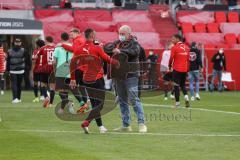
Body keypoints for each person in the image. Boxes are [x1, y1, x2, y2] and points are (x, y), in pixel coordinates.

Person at [70, 28, 119, 134]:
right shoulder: (97, 48)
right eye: (95, 34)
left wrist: (73, 78)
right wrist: (117, 62)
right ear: (92, 35)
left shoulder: (79, 49)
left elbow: (72, 63)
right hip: (97, 79)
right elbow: (107, 58)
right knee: (100, 104)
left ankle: (101, 127)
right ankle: (87, 122)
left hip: (86, 80)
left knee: (94, 104)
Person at [112, 25, 147, 133]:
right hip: (119, 75)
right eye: (120, 34)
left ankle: (142, 124)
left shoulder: (134, 43)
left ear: (129, 34)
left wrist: (120, 51)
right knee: (122, 100)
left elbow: (134, 52)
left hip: (131, 75)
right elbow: (109, 49)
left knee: (134, 99)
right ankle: (126, 125)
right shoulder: (117, 43)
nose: (121, 36)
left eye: (123, 34)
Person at [54, 32, 86, 114]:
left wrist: (55, 71)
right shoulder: (72, 46)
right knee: (72, 88)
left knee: (61, 90)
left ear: (61, 38)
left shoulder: (58, 47)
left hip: (61, 71)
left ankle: (68, 103)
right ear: (68, 38)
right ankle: (81, 102)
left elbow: (54, 61)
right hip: (70, 70)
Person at [60, 28, 89, 109]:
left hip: (78, 66)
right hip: (84, 66)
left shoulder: (77, 40)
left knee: (72, 85)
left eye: (72, 34)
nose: (71, 36)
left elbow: (74, 50)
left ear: (77, 33)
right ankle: (85, 103)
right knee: (82, 86)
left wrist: (62, 45)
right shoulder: (82, 40)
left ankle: (82, 102)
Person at [169, 34, 190, 108]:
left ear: (178, 39)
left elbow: (171, 58)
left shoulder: (174, 48)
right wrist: (187, 69)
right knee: (183, 85)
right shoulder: (187, 47)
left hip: (177, 69)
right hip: (184, 69)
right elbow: (188, 59)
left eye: (173, 39)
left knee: (176, 86)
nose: (172, 40)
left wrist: (169, 66)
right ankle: (186, 97)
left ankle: (177, 103)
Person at [37, 36, 55, 108]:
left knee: (43, 84)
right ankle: (51, 103)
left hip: (44, 69)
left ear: (46, 40)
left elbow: (36, 56)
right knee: (52, 87)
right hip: (53, 70)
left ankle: (46, 97)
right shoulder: (55, 48)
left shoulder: (43, 48)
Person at [7, 38, 27, 103]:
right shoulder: (9, 51)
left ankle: (18, 98)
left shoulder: (24, 50)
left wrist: (26, 68)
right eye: (16, 42)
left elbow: (27, 60)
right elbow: (8, 61)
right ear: (14, 43)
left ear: (20, 43)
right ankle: (15, 98)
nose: (17, 43)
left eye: (18, 42)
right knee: (14, 84)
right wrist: (8, 70)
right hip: (13, 70)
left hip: (21, 70)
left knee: (18, 85)